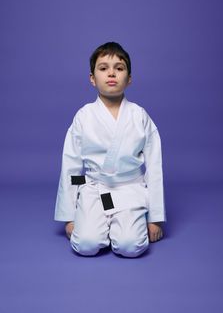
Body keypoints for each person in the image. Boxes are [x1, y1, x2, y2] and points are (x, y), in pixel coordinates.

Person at [54, 41, 166, 257]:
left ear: (129, 79)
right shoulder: (84, 117)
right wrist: (69, 216)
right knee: (85, 244)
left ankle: (129, 221)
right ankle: (97, 222)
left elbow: (154, 168)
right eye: (103, 68)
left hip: (129, 188)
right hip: (95, 188)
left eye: (119, 68)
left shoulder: (139, 116)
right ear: (92, 79)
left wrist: (155, 218)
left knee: (130, 246)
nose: (111, 73)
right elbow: (72, 169)